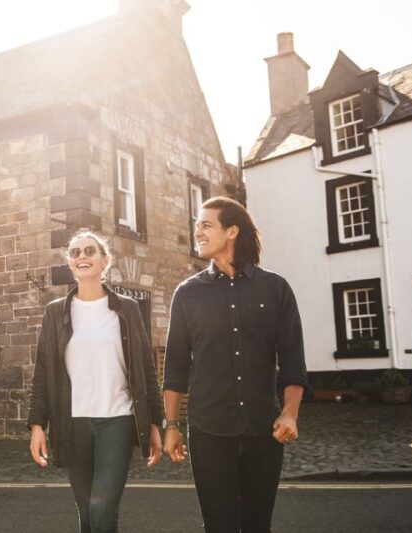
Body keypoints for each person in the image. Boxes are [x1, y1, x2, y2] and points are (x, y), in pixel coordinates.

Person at [163, 196, 308, 533]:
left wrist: (290, 412)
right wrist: (171, 424)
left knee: (258, 526)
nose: (197, 231)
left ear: (232, 231)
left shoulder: (275, 289)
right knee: (219, 527)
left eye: (205, 224)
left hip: (263, 431)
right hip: (208, 432)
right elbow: (176, 366)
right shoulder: (187, 294)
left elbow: (292, 359)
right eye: (196, 224)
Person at [28, 229, 164, 533]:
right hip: (72, 423)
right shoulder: (55, 313)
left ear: (105, 261)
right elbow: (42, 372)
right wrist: (37, 426)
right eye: (75, 253)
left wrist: (155, 422)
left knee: (102, 506)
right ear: (70, 263)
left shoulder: (126, 309)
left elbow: (145, 368)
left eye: (90, 251)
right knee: (87, 510)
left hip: (117, 420)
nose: (82, 257)